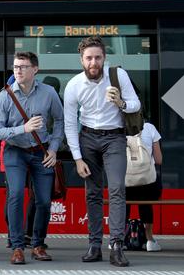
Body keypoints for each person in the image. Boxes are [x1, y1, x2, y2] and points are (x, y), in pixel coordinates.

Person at [64, 36, 140, 267]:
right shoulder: (74, 85)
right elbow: (69, 124)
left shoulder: (119, 76)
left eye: (97, 57)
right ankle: (94, 245)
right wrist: (77, 159)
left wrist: (121, 103)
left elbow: (136, 104)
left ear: (104, 58)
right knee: (93, 193)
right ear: (81, 60)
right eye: (89, 58)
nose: (93, 62)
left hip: (114, 137)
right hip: (87, 138)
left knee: (117, 188)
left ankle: (116, 245)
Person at [0, 51, 63, 265]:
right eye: (16, 66)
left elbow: (60, 121)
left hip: (42, 152)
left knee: (43, 200)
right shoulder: (4, 95)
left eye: (23, 66)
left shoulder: (49, 93)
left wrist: (54, 148)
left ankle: (38, 245)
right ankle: (17, 247)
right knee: (15, 195)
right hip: (15, 152)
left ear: (35, 69)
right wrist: (23, 128)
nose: (18, 70)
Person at [125, 121, 163, 252]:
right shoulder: (150, 128)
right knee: (145, 199)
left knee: (121, 198)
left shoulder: (116, 127)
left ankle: (118, 239)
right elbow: (158, 160)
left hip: (125, 184)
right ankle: (150, 240)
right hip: (148, 185)